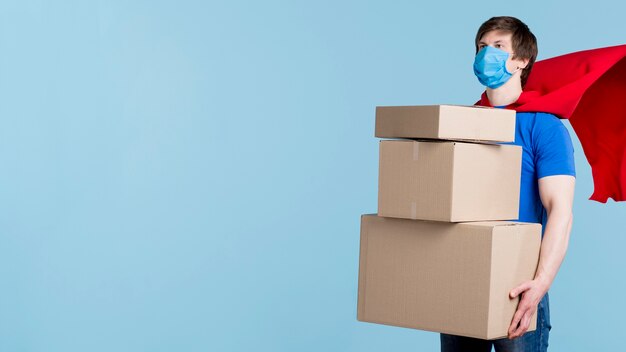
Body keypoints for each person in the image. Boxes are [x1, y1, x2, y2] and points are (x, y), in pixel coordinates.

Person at [440, 16, 576, 352]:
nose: (486, 54)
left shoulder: (543, 126)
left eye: (498, 47)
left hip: (518, 284)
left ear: (521, 60)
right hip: (461, 278)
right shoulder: (464, 124)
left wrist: (540, 284)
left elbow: (560, 209)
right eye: (482, 47)